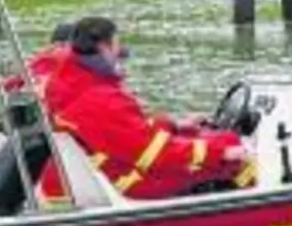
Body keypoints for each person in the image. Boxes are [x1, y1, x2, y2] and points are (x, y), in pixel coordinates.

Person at [33, 16, 255, 205]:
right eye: (117, 46)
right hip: (125, 181)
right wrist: (220, 151)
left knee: (207, 140)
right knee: (233, 162)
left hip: (105, 171)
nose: (120, 54)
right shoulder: (100, 99)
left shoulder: (74, 84)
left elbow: (127, 134)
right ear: (104, 48)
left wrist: (175, 126)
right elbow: (154, 153)